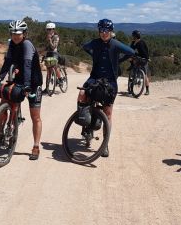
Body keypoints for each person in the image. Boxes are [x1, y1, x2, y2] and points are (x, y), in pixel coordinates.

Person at [77, 19, 135, 157]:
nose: (104, 33)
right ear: (99, 31)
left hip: (110, 81)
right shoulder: (95, 43)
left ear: (111, 31)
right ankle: (85, 122)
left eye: (106, 30)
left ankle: (105, 144)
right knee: (81, 93)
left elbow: (131, 52)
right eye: (101, 30)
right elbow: (85, 46)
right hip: (94, 77)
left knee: (108, 113)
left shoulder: (115, 44)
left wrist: (118, 61)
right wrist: (93, 55)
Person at [0, 19, 43, 160]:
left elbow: (27, 65)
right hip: (19, 80)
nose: (16, 36)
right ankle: (1, 130)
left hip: (33, 82)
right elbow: (7, 62)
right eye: (14, 33)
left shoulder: (27, 45)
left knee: (35, 116)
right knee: (4, 101)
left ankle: (36, 146)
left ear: (24, 33)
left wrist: (27, 86)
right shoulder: (11, 44)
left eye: (19, 33)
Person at [123, 29, 151, 95]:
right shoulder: (139, 42)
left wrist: (134, 54)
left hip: (142, 58)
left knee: (131, 58)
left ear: (134, 36)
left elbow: (132, 50)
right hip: (144, 59)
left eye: (133, 36)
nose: (133, 37)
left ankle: (132, 66)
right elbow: (131, 49)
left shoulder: (139, 43)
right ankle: (147, 90)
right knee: (145, 74)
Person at [43, 22, 63, 90]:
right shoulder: (48, 37)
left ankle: (60, 79)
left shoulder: (56, 37)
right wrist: (42, 52)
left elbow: (53, 47)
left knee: (54, 66)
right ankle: (47, 88)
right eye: (47, 29)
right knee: (48, 70)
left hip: (54, 53)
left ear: (53, 29)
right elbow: (47, 47)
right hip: (48, 53)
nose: (48, 31)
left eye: (50, 29)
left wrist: (50, 40)